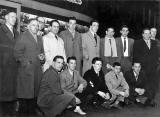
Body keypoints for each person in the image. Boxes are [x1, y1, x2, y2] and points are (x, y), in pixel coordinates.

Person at [14, 18, 44, 115]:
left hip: (37, 72)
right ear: (28, 26)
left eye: (37, 25)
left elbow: (41, 53)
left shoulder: (40, 38)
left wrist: (42, 57)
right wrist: (26, 63)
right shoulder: (22, 36)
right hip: (26, 72)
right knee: (25, 97)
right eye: (33, 25)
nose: (36, 27)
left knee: (34, 97)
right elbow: (16, 54)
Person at [0, 11, 19, 116]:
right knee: (3, 98)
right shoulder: (1, 30)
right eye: (12, 17)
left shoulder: (17, 33)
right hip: (3, 69)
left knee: (12, 98)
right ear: (6, 17)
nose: (14, 19)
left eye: (15, 17)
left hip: (14, 69)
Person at [133, 28, 158, 106]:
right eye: (145, 33)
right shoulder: (137, 43)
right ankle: (143, 100)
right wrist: (136, 68)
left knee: (152, 84)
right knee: (143, 84)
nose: (147, 35)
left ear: (150, 34)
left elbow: (156, 55)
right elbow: (135, 56)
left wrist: (155, 65)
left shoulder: (154, 42)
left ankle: (151, 99)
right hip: (142, 68)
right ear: (142, 34)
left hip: (153, 68)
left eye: (149, 33)